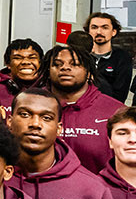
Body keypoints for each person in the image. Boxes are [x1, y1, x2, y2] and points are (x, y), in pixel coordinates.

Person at [46, 42, 124, 174]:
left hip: (98, 191)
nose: (65, 68)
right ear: (47, 71)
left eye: (75, 64)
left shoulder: (116, 111)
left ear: (89, 73)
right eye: (57, 64)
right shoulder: (32, 106)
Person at [82, 11, 132, 100]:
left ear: (113, 32)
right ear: (88, 31)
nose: (99, 32)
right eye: (94, 27)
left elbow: (120, 95)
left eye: (105, 28)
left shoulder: (122, 58)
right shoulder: (81, 56)